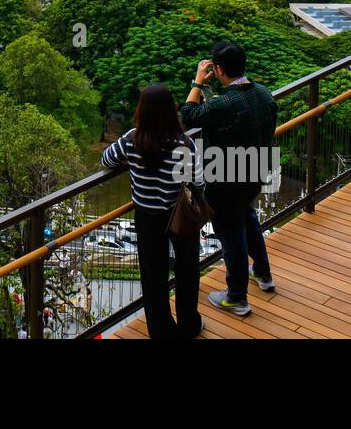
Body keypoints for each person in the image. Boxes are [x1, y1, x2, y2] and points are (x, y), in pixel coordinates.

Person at [181, 41, 277, 318]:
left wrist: (197, 82)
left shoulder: (224, 103)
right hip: (255, 173)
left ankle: (237, 298)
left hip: (225, 179)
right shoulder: (263, 93)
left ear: (218, 69)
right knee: (248, 219)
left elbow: (188, 115)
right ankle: (263, 273)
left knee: (232, 237)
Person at [101, 83, 203, 338]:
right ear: (171, 109)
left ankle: (161, 330)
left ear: (142, 110)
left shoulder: (132, 139)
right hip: (178, 215)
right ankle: (189, 325)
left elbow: (106, 160)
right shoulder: (184, 143)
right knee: (187, 270)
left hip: (147, 216)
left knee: (153, 275)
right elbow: (198, 181)